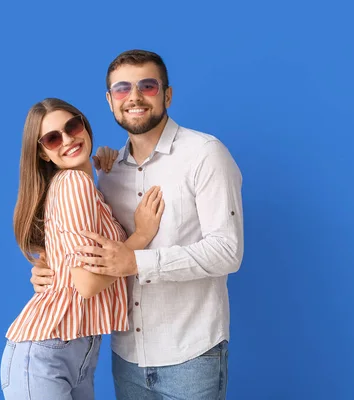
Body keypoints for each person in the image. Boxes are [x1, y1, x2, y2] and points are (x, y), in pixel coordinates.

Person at [30, 50, 244, 400]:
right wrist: (50, 269)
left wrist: (136, 261)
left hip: (191, 354)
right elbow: (88, 252)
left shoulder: (205, 154)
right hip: (126, 357)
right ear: (109, 101)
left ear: (167, 95)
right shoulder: (108, 174)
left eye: (147, 85)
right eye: (121, 89)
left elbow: (227, 251)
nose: (133, 97)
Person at [0, 98, 165, 400]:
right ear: (42, 153)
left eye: (72, 126)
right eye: (52, 138)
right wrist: (141, 236)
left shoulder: (86, 186)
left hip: (76, 354)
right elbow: (87, 284)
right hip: (47, 356)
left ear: (84, 124)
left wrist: (108, 167)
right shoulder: (74, 183)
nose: (67, 139)